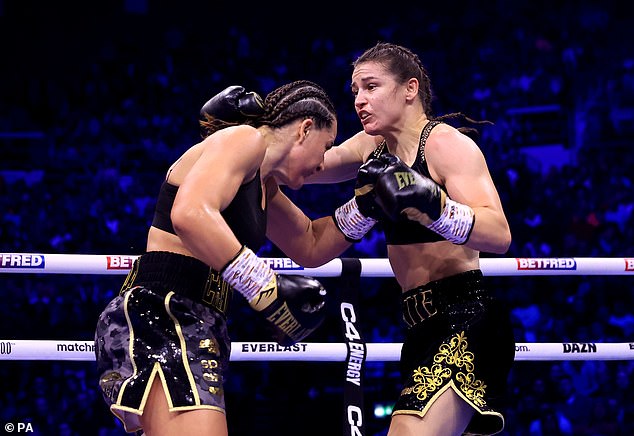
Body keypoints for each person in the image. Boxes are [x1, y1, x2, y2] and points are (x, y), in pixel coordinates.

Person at [94, 80, 366, 436]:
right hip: (163, 312)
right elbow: (189, 213)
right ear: (305, 129)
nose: (320, 164)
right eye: (326, 146)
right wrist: (263, 285)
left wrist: (368, 207)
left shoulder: (263, 183)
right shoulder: (244, 139)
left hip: (198, 318)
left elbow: (311, 245)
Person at [310, 42, 516, 435]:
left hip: (464, 318)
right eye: (354, 91)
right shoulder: (373, 147)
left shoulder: (444, 144)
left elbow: (499, 234)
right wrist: (255, 138)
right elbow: (308, 165)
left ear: (410, 89)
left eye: (371, 87)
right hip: (418, 326)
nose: (359, 100)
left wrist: (433, 204)